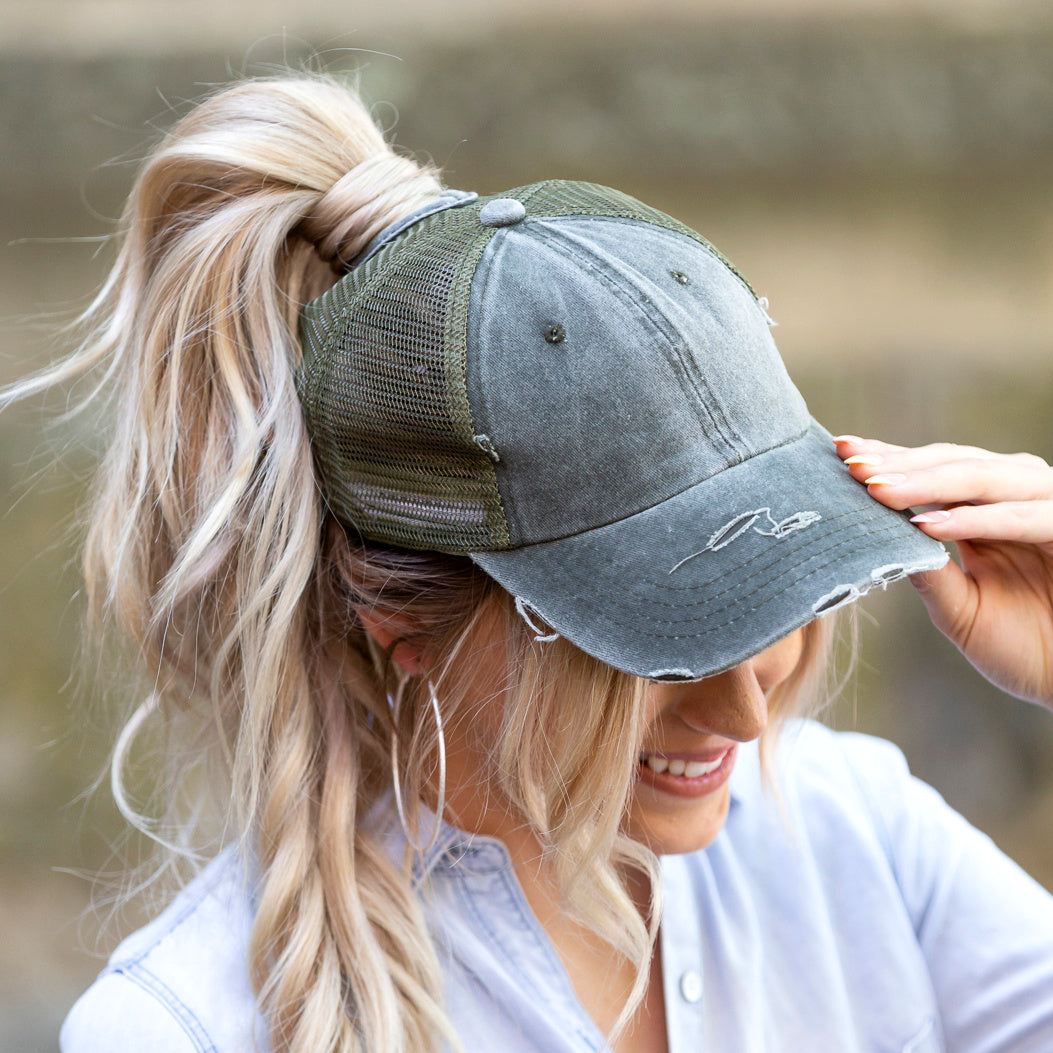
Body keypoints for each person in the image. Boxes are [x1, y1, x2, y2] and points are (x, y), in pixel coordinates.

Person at [13, 74, 1052, 1052]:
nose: (745, 713)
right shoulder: (185, 1027)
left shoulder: (852, 834)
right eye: (666, 640)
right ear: (399, 615)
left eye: (768, 590)